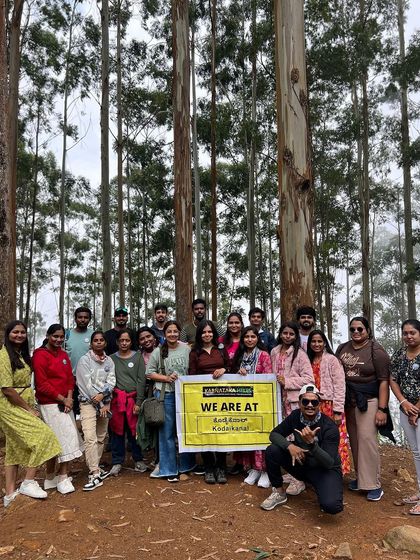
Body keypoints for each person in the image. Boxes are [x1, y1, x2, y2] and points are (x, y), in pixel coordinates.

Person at [0, 321, 61, 507]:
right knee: (45, 436)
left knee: (13, 449)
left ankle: (9, 495)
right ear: (8, 334)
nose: (19, 335)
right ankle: (28, 481)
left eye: (22, 332)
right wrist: (29, 409)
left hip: (23, 400)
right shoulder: (3, 355)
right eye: (15, 332)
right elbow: (7, 389)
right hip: (10, 404)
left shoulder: (22, 355)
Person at [260, 384, 343, 515]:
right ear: (299, 403)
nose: (310, 405)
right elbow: (274, 434)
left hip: (324, 469)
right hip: (303, 463)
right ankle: (279, 492)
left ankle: (319, 485)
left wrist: (312, 445)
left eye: (314, 402)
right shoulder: (295, 416)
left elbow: (329, 463)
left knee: (332, 506)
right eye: (305, 401)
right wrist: (290, 446)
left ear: (319, 404)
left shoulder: (329, 427)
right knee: (272, 450)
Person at [336, 316, 390, 501]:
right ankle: (361, 478)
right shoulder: (342, 348)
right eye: (353, 329)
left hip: (369, 400)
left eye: (360, 329)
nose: (356, 332)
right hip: (348, 401)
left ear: (368, 330)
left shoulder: (377, 351)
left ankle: (373, 484)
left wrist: (382, 409)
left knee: (368, 439)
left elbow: (384, 381)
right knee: (356, 441)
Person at [33, 324, 84, 495]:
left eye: (61, 337)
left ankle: (50, 478)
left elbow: (70, 378)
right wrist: (63, 399)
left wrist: (69, 398)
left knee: (59, 439)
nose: (58, 340)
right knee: (66, 438)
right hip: (50, 404)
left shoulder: (63, 354)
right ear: (48, 336)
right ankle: (63, 477)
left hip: (65, 402)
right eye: (55, 336)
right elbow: (42, 384)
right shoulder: (40, 355)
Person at [146, 320, 195, 481]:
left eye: (175, 331)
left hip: (185, 395)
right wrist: (166, 378)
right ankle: (168, 468)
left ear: (179, 333)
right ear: (164, 334)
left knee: (184, 431)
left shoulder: (186, 349)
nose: (172, 334)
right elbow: (149, 373)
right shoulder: (158, 351)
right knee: (166, 433)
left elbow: (193, 368)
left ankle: (186, 465)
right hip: (165, 395)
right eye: (169, 332)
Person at [270, 321, 314, 496]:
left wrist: (288, 382)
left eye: (291, 334)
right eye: (285, 333)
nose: (287, 336)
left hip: (294, 401)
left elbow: (309, 379)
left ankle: (300, 478)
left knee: (297, 437)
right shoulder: (274, 351)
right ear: (280, 334)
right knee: (284, 436)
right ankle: (291, 469)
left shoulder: (300, 355)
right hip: (277, 400)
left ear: (296, 336)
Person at [189, 320, 230, 484]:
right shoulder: (195, 352)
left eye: (210, 332)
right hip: (202, 398)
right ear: (200, 334)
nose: (207, 335)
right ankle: (208, 467)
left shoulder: (221, 350)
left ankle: (221, 467)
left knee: (220, 429)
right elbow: (191, 374)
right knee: (206, 431)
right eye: (204, 332)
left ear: (214, 333)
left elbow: (230, 366)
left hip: (222, 397)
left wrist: (224, 370)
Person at [230, 326, 272, 487]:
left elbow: (268, 378)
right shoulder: (240, 356)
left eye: (252, 336)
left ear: (257, 339)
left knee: (262, 434)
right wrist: (238, 373)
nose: (249, 339)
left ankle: (265, 470)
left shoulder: (264, 355)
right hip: (243, 402)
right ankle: (253, 468)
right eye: (246, 336)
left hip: (261, 401)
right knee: (248, 433)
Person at [76, 330, 116, 490]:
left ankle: (97, 466)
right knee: (90, 437)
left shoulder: (109, 361)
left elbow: (112, 381)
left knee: (101, 436)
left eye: (101, 340)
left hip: (105, 403)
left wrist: (105, 399)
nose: (99, 342)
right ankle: (93, 472)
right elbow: (85, 384)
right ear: (91, 343)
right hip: (88, 403)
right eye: (95, 340)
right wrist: (98, 399)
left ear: (105, 343)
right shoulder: (84, 360)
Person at [307, 330, 350, 475]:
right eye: (313, 341)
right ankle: (320, 471)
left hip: (330, 405)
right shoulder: (309, 360)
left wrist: (338, 411)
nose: (316, 344)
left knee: (335, 439)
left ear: (325, 343)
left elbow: (340, 385)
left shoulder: (332, 360)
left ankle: (337, 471)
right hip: (313, 406)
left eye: (319, 341)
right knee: (318, 439)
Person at [390, 319, 420, 515]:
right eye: (405, 333)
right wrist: (403, 403)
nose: (408, 336)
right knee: (416, 453)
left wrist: (416, 409)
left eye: (413, 333)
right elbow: (392, 379)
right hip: (405, 409)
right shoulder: (400, 354)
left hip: (416, 411)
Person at [109, 329, 148, 476]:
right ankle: (117, 461)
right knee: (117, 431)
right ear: (117, 342)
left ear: (132, 342)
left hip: (132, 400)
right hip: (117, 400)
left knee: (134, 431)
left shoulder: (138, 357)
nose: (124, 343)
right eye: (121, 340)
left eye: (127, 340)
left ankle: (138, 459)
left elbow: (141, 380)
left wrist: (139, 402)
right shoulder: (111, 358)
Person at [65, 306, 94, 417]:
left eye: (86, 317)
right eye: (80, 317)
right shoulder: (67, 334)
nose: (82, 320)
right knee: (70, 408)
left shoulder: (93, 335)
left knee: (87, 408)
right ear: (75, 318)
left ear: (89, 319)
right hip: (70, 378)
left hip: (88, 379)